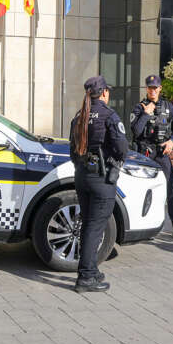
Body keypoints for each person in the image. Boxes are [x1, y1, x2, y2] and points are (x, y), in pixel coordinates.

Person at [69, 75, 128, 293]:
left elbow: (72, 152)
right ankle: (86, 277)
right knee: (95, 227)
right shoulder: (109, 115)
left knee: (88, 225)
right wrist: (113, 163)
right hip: (101, 178)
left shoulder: (79, 117)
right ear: (103, 93)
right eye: (108, 91)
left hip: (82, 176)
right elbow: (122, 147)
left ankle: (90, 269)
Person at [131, 74, 173, 241]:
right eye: (150, 87)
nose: (152, 90)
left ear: (160, 88)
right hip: (145, 154)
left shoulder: (168, 106)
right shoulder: (139, 107)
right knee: (141, 192)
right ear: (146, 89)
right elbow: (135, 132)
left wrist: (172, 141)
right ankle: (137, 231)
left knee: (171, 191)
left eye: (155, 88)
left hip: (162, 153)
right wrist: (145, 115)